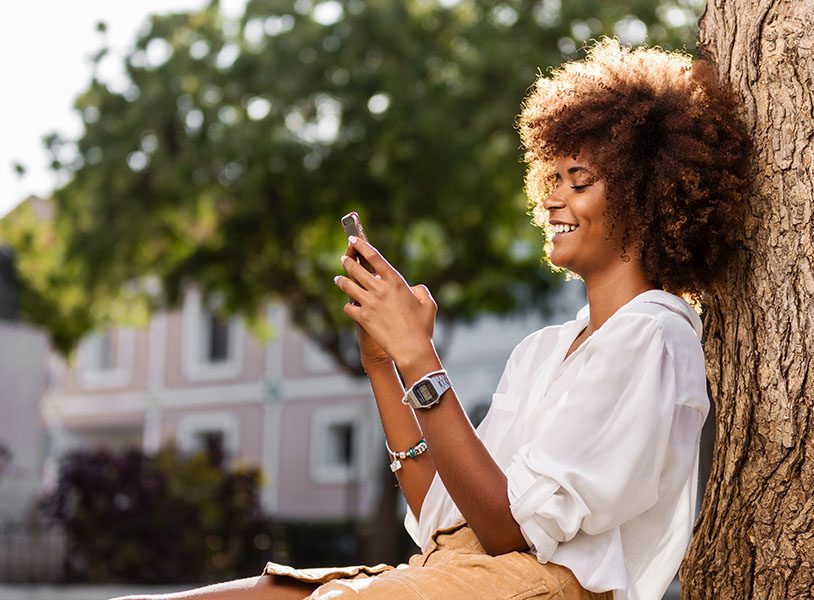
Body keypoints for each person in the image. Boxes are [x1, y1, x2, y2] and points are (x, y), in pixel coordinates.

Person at [112, 35, 752, 600]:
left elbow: (510, 532)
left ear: (647, 197)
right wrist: (383, 362)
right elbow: (446, 513)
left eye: (578, 181)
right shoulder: (545, 349)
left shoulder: (656, 335)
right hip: (460, 570)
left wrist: (422, 358)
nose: (553, 197)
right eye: (549, 177)